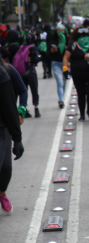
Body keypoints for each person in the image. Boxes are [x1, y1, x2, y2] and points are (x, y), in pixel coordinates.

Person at [0, 61, 25, 214]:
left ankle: (1, 192)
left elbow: (9, 106)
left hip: (2, 129)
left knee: (6, 168)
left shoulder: (4, 72)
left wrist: (17, 138)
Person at [63, 27, 89, 121]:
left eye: (85, 36)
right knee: (81, 94)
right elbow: (66, 58)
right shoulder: (73, 46)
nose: (83, 37)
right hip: (77, 74)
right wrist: (65, 69)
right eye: (81, 36)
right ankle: (82, 114)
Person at [13, 33, 41, 118]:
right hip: (30, 71)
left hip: (21, 73)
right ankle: (36, 109)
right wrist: (40, 58)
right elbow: (34, 61)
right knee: (34, 90)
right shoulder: (32, 48)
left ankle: (24, 110)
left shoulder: (22, 47)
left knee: (23, 91)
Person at [48, 24, 69, 109]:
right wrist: (51, 51)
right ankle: (61, 100)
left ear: (65, 31)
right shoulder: (53, 41)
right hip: (56, 64)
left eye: (62, 30)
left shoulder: (68, 41)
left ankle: (62, 98)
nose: (60, 32)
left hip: (66, 65)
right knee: (60, 82)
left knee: (64, 83)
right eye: (58, 30)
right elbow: (47, 55)